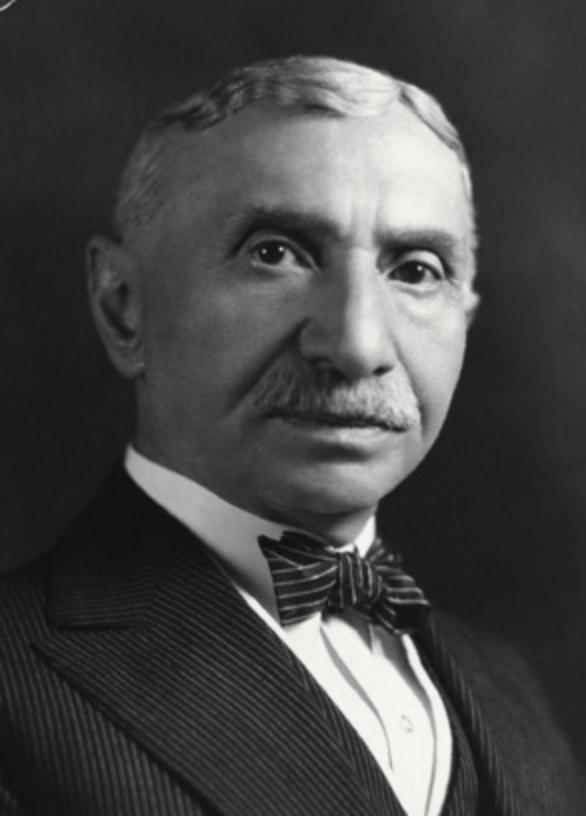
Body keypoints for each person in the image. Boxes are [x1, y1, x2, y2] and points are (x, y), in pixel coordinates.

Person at [0, 56, 582, 816]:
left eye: (415, 270)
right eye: (274, 253)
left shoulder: (510, 687)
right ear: (124, 307)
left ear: (464, 320)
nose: (357, 345)